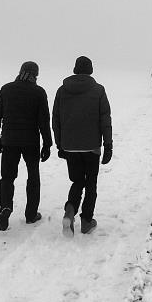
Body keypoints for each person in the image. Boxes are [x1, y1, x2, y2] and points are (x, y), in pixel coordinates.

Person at [52, 56, 113, 236]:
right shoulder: (99, 90)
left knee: (77, 181)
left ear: (75, 69)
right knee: (91, 183)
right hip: (92, 146)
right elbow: (105, 119)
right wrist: (108, 144)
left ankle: (70, 212)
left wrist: (60, 145)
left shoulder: (62, 91)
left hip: (70, 146)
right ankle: (86, 221)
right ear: (91, 70)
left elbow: (56, 119)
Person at [0, 61, 52, 231]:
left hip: (9, 141)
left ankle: (5, 208)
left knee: (7, 177)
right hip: (30, 142)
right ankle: (31, 214)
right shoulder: (38, 92)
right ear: (35, 75)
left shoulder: (7, 89)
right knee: (33, 177)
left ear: (20, 72)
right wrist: (47, 144)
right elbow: (44, 121)